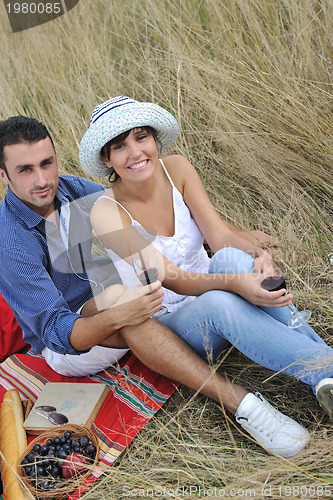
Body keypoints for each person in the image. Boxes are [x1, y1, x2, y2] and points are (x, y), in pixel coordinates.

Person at [0, 115, 315, 458]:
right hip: (67, 342)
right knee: (123, 297)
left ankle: (316, 366)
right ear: (3, 175)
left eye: (47, 163)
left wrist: (240, 239)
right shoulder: (10, 243)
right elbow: (55, 330)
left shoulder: (73, 190)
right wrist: (118, 313)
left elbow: (136, 209)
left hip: (118, 298)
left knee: (133, 289)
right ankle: (246, 407)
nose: (43, 179)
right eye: (25, 170)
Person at [77, 95, 333, 448]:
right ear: (107, 159)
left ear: (154, 138)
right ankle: (324, 368)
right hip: (174, 323)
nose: (135, 152)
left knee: (230, 257)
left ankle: (326, 378)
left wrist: (260, 258)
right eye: (119, 146)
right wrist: (237, 285)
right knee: (219, 302)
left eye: (141, 137)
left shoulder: (177, 168)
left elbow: (220, 235)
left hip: (214, 283)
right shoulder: (105, 211)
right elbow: (170, 277)